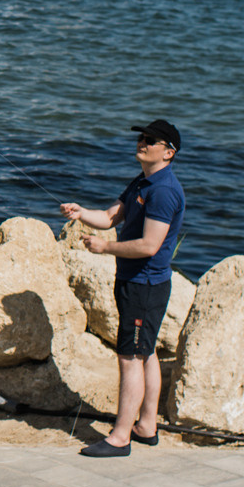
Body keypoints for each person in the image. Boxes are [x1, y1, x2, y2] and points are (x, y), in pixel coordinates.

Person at [58, 119, 186, 457]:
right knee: (146, 353)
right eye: (142, 138)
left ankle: (120, 438)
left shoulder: (163, 190)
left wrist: (106, 248)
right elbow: (112, 216)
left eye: (151, 140)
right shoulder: (143, 182)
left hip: (145, 285)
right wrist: (81, 213)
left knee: (130, 358)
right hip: (135, 282)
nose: (142, 143)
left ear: (168, 152)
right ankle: (146, 426)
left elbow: (149, 246)